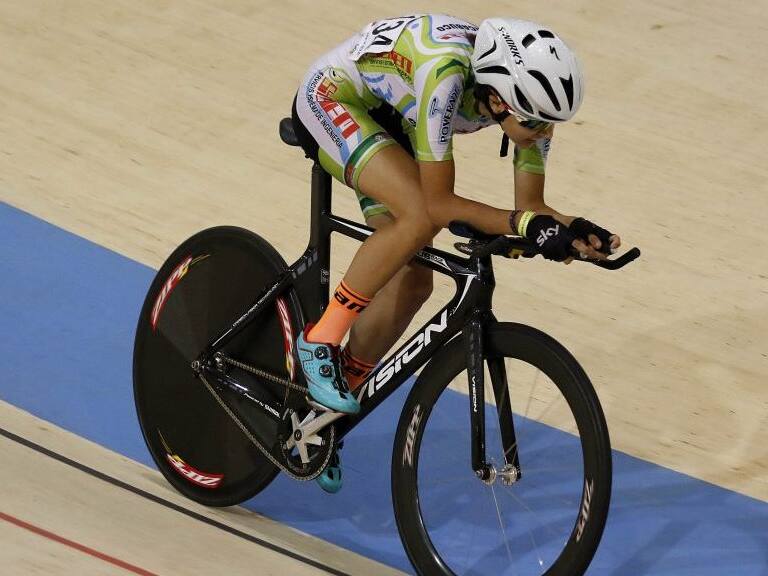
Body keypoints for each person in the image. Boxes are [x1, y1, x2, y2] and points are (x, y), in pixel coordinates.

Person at [289, 14, 621, 492]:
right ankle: (321, 340)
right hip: (335, 99)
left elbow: (530, 208)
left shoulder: (525, 103)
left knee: (413, 278)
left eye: (553, 125)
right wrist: (528, 227)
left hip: (397, 118)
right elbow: (440, 204)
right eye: (534, 124)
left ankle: (322, 414)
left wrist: (572, 230)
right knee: (419, 217)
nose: (543, 135)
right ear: (496, 98)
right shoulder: (445, 76)